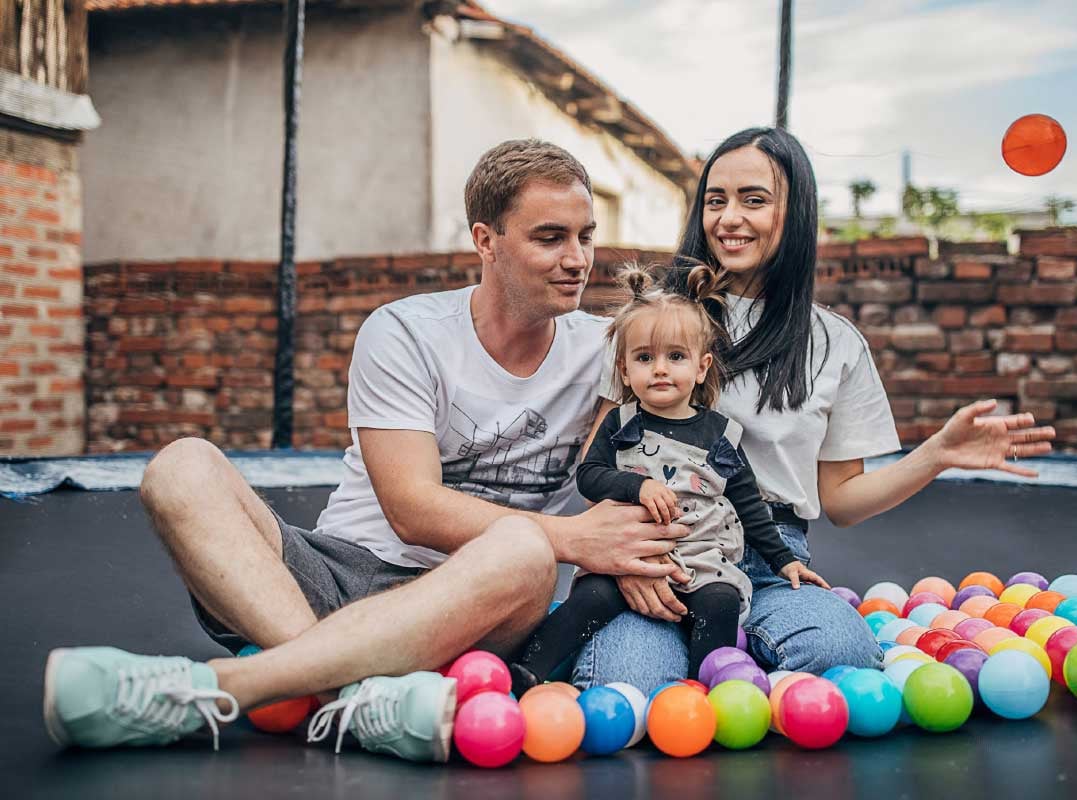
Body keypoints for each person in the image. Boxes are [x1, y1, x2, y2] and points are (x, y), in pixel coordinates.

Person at [41, 140, 689, 759]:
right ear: (485, 241)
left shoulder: (610, 352)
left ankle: (222, 690)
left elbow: (647, 453)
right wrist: (575, 539)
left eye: (586, 235)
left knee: (525, 549)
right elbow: (410, 508)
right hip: (333, 574)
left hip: (471, 604)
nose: (578, 258)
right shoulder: (406, 331)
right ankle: (353, 694)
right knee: (180, 464)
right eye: (550, 237)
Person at [571, 127, 1057, 692]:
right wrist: (625, 559)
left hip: (771, 562)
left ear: (795, 211)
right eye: (715, 200)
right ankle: (702, 648)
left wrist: (937, 454)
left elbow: (842, 502)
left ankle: (734, 643)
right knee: (629, 684)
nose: (729, 218)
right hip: (655, 546)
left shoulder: (833, 343)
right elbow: (599, 462)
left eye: (754, 199)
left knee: (842, 653)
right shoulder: (654, 322)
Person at [509, 264, 827, 694]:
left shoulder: (719, 434)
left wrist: (784, 560)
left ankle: (704, 690)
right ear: (624, 370)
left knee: (719, 602)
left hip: (700, 558)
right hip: (633, 556)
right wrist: (636, 487)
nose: (660, 369)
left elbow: (749, 505)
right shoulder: (623, 424)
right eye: (645, 358)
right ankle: (529, 669)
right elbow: (589, 476)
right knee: (592, 598)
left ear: (701, 367)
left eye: (675, 357)